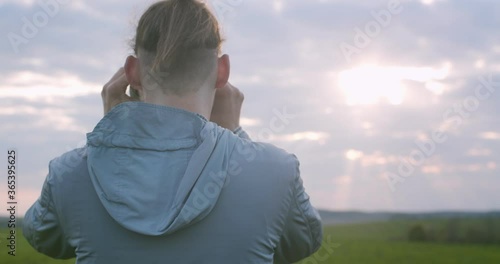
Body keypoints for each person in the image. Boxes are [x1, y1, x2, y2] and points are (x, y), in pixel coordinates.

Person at [22, 0, 323, 263]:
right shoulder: (277, 172)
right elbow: (301, 244)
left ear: (132, 72)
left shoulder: (69, 173)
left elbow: (43, 239)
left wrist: (110, 139)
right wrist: (234, 135)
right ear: (222, 71)